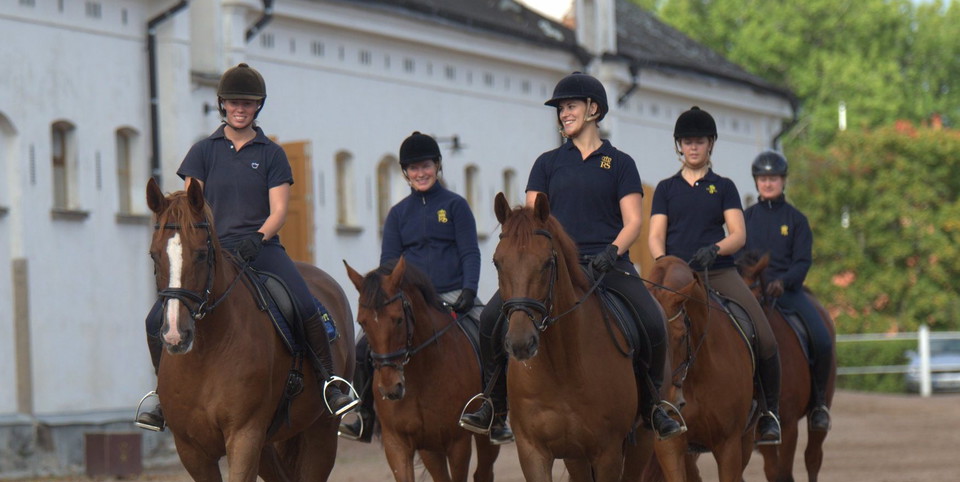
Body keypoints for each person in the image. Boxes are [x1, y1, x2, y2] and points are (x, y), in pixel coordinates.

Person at [459, 72, 683, 442]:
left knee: (652, 319)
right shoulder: (547, 163)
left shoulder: (620, 163)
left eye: (571, 106)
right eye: (561, 108)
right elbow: (533, 220)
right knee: (490, 318)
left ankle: (653, 405)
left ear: (594, 109)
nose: (564, 113)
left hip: (607, 263)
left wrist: (612, 252)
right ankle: (493, 403)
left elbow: (633, 222)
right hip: (553, 267)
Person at [136, 62, 358, 431]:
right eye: (234, 102)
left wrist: (258, 237)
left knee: (305, 305)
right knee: (155, 318)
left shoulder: (272, 153)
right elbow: (193, 206)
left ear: (258, 106)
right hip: (211, 251)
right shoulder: (202, 151)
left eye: (248, 103)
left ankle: (331, 384)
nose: (240, 109)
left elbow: (280, 210)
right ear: (222, 104)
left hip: (261, 248)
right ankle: (162, 396)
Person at [648, 106, 782, 445]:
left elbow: (738, 234)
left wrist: (716, 249)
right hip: (676, 276)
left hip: (718, 272)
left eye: (700, 141)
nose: (693, 147)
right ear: (679, 146)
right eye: (687, 142)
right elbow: (655, 236)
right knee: (645, 331)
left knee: (765, 336)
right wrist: (665, 263)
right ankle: (647, 410)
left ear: (711, 144)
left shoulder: (724, 186)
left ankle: (769, 413)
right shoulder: (665, 188)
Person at [338, 131, 484, 442]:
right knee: (364, 346)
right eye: (413, 168)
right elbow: (389, 264)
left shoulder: (456, 206)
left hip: (452, 293)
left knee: (490, 332)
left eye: (426, 166)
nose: (420, 173)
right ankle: (364, 415)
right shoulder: (397, 214)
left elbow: (470, 252)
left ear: (438, 165)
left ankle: (494, 411)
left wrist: (469, 290)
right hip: (410, 300)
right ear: (405, 173)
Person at [742, 151, 832, 431]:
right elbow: (736, 258)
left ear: (783, 181)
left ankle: (819, 403)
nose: (768, 183)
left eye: (774, 178)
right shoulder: (744, 219)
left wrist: (784, 281)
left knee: (822, 339)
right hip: (752, 294)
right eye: (763, 179)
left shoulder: (796, 220)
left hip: (788, 292)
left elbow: (803, 261)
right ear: (756, 182)